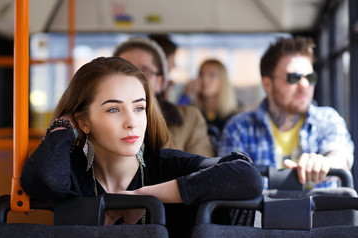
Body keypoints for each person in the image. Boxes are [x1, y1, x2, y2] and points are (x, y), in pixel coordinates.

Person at [20, 57, 263, 238]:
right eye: (113, 109)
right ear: (84, 121)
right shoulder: (70, 172)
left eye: (139, 108)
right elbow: (44, 179)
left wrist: (142, 196)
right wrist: (64, 125)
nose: (132, 122)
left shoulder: (166, 165)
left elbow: (247, 176)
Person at [218, 36, 354, 188]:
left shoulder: (327, 119)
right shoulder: (239, 128)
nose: (304, 84)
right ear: (267, 84)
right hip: (261, 213)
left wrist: (325, 163)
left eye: (310, 77)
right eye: (293, 78)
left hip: (318, 213)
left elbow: (340, 155)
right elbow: (228, 186)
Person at [113, 37, 214, 157]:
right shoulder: (97, 120)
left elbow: (205, 171)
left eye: (145, 72)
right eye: (125, 71)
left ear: (160, 82)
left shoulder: (190, 119)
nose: (134, 80)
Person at [178, 59, 239, 155]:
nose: (205, 80)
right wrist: (186, 96)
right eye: (201, 75)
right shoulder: (193, 111)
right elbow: (176, 125)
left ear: (222, 80)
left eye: (212, 75)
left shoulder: (234, 116)